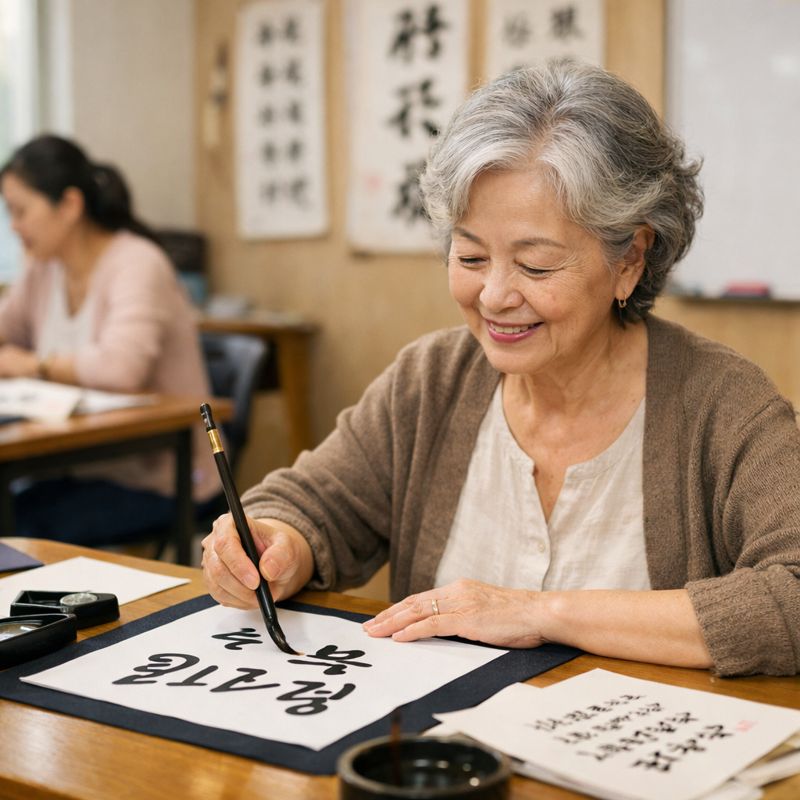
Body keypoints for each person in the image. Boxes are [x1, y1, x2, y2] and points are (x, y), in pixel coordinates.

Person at [201, 60, 800, 677]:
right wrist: (276, 546)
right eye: (470, 256)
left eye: (536, 266)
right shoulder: (433, 380)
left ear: (630, 260)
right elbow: (316, 503)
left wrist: (540, 614)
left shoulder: (720, 403)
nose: (493, 296)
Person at [0, 134, 219, 543]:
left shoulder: (137, 262)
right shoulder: (43, 268)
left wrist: (33, 365)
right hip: (75, 467)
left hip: (159, 476)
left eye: (20, 210)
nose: (14, 226)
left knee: (20, 529)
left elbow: (122, 368)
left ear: (69, 205)